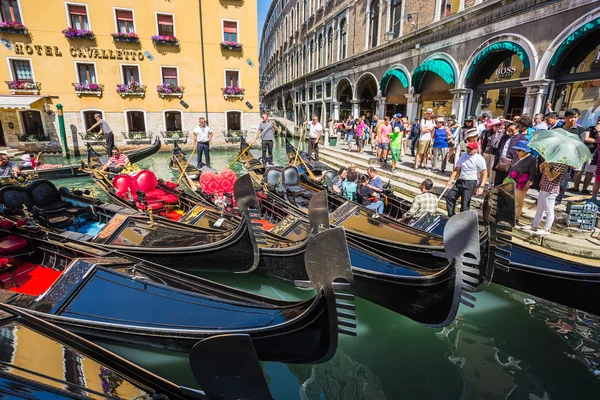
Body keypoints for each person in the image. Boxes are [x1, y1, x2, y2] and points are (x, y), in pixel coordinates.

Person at [445, 142, 488, 217]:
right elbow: (457, 168)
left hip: (470, 182)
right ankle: (451, 216)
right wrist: (450, 180)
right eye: (468, 148)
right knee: (450, 197)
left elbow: (484, 173)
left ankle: (463, 220)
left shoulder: (479, 158)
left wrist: (481, 187)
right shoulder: (463, 155)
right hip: (460, 180)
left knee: (465, 205)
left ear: (476, 149)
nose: (469, 150)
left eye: (471, 148)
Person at [526, 161, 569, 235]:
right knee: (540, 208)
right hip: (543, 187)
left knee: (549, 210)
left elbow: (550, 177)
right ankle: (534, 225)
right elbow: (543, 172)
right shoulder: (551, 160)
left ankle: (547, 229)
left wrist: (546, 166)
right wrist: (542, 167)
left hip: (551, 190)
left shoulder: (562, 164)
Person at [507, 140, 536, 219]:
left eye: (519, 150)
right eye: (516, 149)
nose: (517, 151)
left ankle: (515, 217)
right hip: (511, 180)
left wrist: (527, 185)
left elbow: (532, 173)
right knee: (510, 199)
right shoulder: (516, 156)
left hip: (522, 182)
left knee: (518, 202)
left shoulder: (531, 159)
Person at [563, 109, 590, 193]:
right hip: (556, 157)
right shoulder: (558, 128)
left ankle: (558, 199)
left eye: (576, 117)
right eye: (571, 117)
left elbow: (580, 146)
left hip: (569, 158)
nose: (573, 119)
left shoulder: (580, 130)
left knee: (564, 179)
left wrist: (575, 160)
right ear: (565, 118)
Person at [579, 116, 600, 194]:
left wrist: (598, 132)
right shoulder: (590, 128)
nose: (599, 122)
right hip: (584, 151)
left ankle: (585, 188)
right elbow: (586, 139)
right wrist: (597, 140)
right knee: (579, 170)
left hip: (594, 154)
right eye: (598, 120)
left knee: (590, 172)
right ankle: (575, 187)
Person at [481, 119, 503, 188]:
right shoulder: (488, 132)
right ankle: (480, 180)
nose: (498, 126)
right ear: (492, 126)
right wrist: (483, 151)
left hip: (495, 153)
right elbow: (484, 143)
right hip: (487, 152)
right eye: (496, 125)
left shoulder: (502, 133)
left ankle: (491, 183)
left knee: (492, 169)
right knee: (483, 167)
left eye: (499, 125)